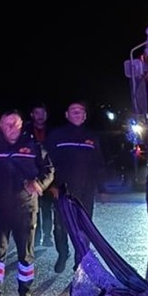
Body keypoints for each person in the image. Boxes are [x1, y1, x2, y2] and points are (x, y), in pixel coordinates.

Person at [0, 108, 55, 296]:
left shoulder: (33, 145)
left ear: (22, 125)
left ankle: (24, 293)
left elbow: (48, 169)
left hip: (25, 208)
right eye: (8, 124)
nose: (13, 128)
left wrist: (39, 183)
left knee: (25, 254)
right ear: (0, 125)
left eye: (17, 125)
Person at [47, 100, 108, 273]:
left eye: (80, 111)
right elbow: (46, 162)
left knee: (84, 227)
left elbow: (99, 164)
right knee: (60, 227)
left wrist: (102, 188)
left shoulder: (92, 137)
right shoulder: (56, 135)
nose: (77, 113)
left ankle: (80, 262)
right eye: (73, 110)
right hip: (62, 189)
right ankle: (63, 253)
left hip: (86, 190)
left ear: (84, 116)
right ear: (66, 115)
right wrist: (51, 185)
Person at [28, 103, 55, 247]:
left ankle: (47, 236)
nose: (40, 116)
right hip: (31, 174)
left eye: (42, 113)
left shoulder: (53, 132)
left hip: (48, 174)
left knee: (47, 208)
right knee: (33, 209)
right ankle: (35, 236)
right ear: (32, 115)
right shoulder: (25, 131)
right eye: (37, 113)